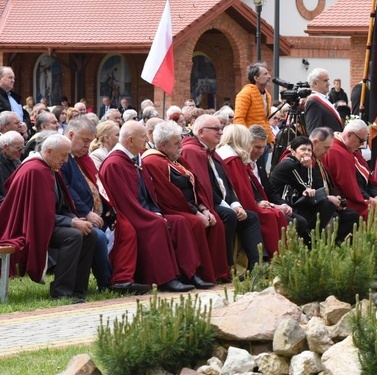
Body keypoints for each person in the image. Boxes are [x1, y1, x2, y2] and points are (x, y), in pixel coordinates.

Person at [99, 121, 195, 293]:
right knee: (157, 225)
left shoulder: (135, 159)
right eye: (143, 136)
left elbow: (147, 192)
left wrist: (156, 211)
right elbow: (124, 202)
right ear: (130, 140)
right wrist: (151, 216)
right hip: (128, 215)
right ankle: (165, 279)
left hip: (145, 210)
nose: (147, 139)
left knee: (179, 221)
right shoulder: (115, 163)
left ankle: (188, 273)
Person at [0, 134, 97, 303]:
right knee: (73, 236)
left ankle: (78, 289)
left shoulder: (48, 167)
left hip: (46, 222)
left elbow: (58, 206)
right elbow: (39, 214)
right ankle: (61, 291)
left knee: (91, 233)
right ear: (49, 151)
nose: (66, 161)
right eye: (63, 155)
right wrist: (72, 222)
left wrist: (75, 218)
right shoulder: (35, 170)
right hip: (29, 226)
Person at [142, 121, 228, 286]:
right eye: (176, 144)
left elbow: (196, 185)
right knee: (194, 223)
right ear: (163, 145)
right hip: (172, 208)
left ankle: (216, 273)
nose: (180, 146)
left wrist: (204, 208)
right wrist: (195, 212)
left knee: (214, 219)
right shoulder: (153, 161)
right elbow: (168, 195)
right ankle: (194, 273)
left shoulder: (176, 159)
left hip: (189, 207)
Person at [180, 114, 266, 270]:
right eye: (216, 129)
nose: (221, 132)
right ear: (201, 132)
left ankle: (257, 266)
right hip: (207, 203)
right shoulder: (192, 151)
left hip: (221, 202)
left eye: (221, 128)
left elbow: (226, 185)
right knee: (229, 215)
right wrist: (230, 206)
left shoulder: (212, 152)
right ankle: (225, 267)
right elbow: (204, 188)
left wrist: (236, 203)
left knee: (251, 217)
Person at [270, 134, 358, 242]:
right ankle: (311, 239)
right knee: (327, 205)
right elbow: (308, 188)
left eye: (309, 150)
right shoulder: (288, 164)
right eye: (303, 149)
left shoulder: (303, 165)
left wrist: (308, 168)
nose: (306, 153)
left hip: (299, 202)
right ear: (293, 151)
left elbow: (312, 187)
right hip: (286, 204)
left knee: (348, 214)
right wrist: (308, 168)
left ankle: (329, 243)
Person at [59, 118, 113, 291]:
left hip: (97, 214)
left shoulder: (83, 157)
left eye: (90, 141)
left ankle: (123, 276)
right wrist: (86, 212)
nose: (87, 146)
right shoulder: (61, 155)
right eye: (85, 141)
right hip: (73, 216)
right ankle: (106, 282)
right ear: (71, 134)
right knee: (98, 237)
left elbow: (98, 184)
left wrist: (111, 209)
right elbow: (65, 189)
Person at [217, 124, 287, 256]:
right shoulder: (232, 159)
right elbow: (242, 190)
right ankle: (268, 257)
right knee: (268, 215)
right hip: (231, 205)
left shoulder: (228, 156)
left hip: (232, 202)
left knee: (276, 213)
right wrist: (256, 205)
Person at [323, 119, 377, 232]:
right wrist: (368, 198)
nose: (362, 145)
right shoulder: (337, 151)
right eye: (361, 141)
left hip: (359, 194)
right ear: (350, 135)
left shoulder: (351, 149)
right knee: (374, 209)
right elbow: (347, 186)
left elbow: (368, 178)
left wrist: (376, 195)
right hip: (346, 198)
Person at [248, 124, 308, 238]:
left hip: (270, 203)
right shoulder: (243, 162)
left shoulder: (258, 161)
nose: (261, 152)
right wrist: (275, 206)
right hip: (259, 206)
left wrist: (282, 204)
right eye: (257, 147)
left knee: (301, 221)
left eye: (263, 147)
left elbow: (269, 188)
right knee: (294, 223)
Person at [233, 63, 275, 155]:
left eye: (268, 73)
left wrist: (270, 140)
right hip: (250, 143)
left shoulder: (267, 95)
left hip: (263, 142)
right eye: (265, 74)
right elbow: (239, 119)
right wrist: (247, 140)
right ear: (256, 78)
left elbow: (265, 120)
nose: (269, 76)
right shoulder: (245, 93)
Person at [305, 68, 344, 133]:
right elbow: (314, 133)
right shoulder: (313, 102)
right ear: (315, 83)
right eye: (325, 80)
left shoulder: (322, 99)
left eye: (328, 80)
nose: (328, 84)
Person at [0, 130, 23, 204]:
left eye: (23, 148)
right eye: (18, 148)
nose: (22, 152)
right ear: (5, 147)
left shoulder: (13, 157)